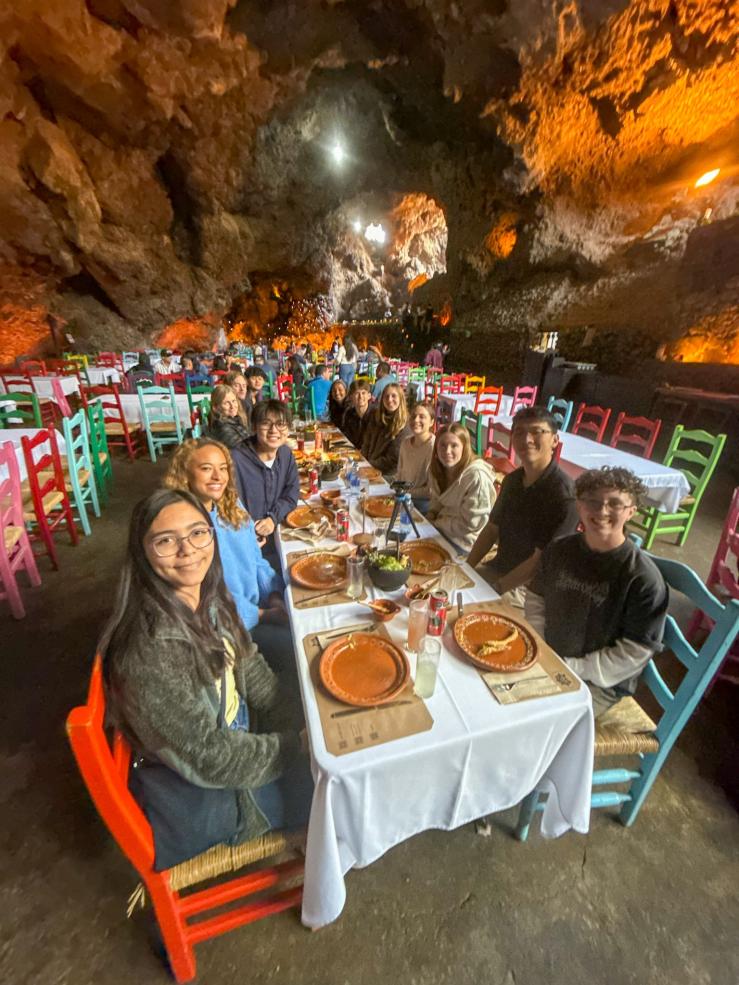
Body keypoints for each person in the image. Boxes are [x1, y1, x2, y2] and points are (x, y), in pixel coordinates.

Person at [99, 488, 311, 871]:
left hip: (237, 734)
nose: (188, 550)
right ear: (141, 552)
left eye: (198, 533)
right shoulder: (148, 651)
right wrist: (295, 747)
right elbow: (211, 757)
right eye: (166, 541)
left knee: (326, 726)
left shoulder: (206, 597)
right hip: (214, 793)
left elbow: (251, 669)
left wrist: (300, 722)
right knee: (340, 794)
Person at [525, 467, 668, 718]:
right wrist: (541, 646)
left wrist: (573, 667)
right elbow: (537, 598)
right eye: (593, 502)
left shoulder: (643, 579)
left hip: (600, 682)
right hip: (547, 654)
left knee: (539, 719)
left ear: (631, 512)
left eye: (615, 504)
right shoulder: (559, 550)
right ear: (579, 506)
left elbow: (636, 651)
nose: (602, 511)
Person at [164, 439, 293, 675]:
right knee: (298, 645)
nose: (218, 477)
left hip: (259, 604)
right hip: (232, 627)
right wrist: (266, 615)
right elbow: (206, 601)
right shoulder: (184, 529)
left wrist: (274, 596)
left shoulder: (230, 504)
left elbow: (256, 560)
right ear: (185, 472)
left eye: (223, 468)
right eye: (206, 468)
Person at [466, 405, 579, 601]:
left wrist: (494, 589)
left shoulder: (564, 496)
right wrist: (466, 569)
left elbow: (540, 562)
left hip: (530, 589)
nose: (527, 440)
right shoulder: (513, 480)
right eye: (519, 432)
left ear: (554, 440)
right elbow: (492, 529)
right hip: (497, 569)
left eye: (537, 432)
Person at [231, 400, 300, 567]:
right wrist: (247, 533)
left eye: (281, 424)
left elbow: (291, 494)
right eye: (266, 423)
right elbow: (228, 506)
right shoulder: (235, 460)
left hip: (278, 535)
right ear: (254, 427)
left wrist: (272, 518)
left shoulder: (285, 454)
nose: (274, 430)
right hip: (246, 547)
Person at [426, 424, 496, 551]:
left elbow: (470, 524)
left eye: (454, 445)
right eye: (442, 445)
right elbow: (437, 500)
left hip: (464, 542)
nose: (447, 451)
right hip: (440, 529)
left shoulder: (476, 477)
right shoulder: (437, 469)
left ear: (464, 448)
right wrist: (431, 514)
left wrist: (437, 523)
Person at [361, 383, 410, 475]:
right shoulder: (377, 417)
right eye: (386, 396)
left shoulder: (404, 425)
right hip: (370, 467)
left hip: (389, 475)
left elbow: (392, 460)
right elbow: (366, 443)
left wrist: (367, 465)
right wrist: (362, 460)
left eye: (394, 396)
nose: (389, 399)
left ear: (401, 399)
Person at [397, 401, 435, 514]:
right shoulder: (405, 443)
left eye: (422, 417)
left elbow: (431, 490)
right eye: (413, 416)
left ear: (431, 422)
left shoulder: (434, 448)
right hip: (403, 495)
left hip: (422, 503)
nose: (416, 420)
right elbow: (400, 473)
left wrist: (406, 492)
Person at [341, 380, 372, 448]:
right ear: (351, 397)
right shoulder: (349, 414)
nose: (360, 397)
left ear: (369, 396)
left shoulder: (376, 415)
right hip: (353, 452)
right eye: (357, 393)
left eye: (363, 393)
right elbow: (347, 437)